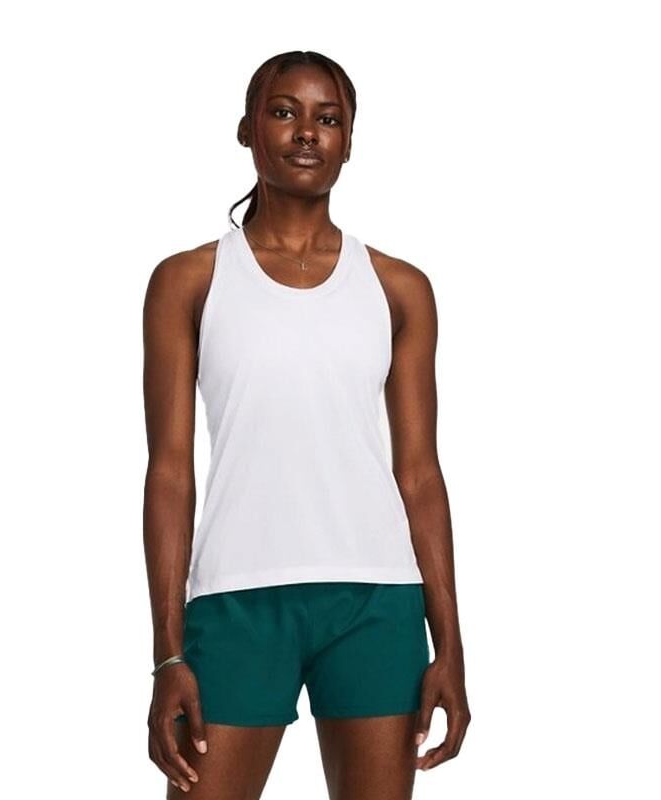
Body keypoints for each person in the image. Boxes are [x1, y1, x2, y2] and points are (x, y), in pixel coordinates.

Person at [142, 50, 470, 798]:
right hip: (237, 600)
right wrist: (168, 654)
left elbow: (420, 474)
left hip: (376, 602)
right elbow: (169, 471)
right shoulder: (189, 281)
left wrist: (449, 645)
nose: (306, 133)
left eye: (329, 118)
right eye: (284, 112)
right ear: (247, 129)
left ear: (349, 141)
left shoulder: (398, 287)